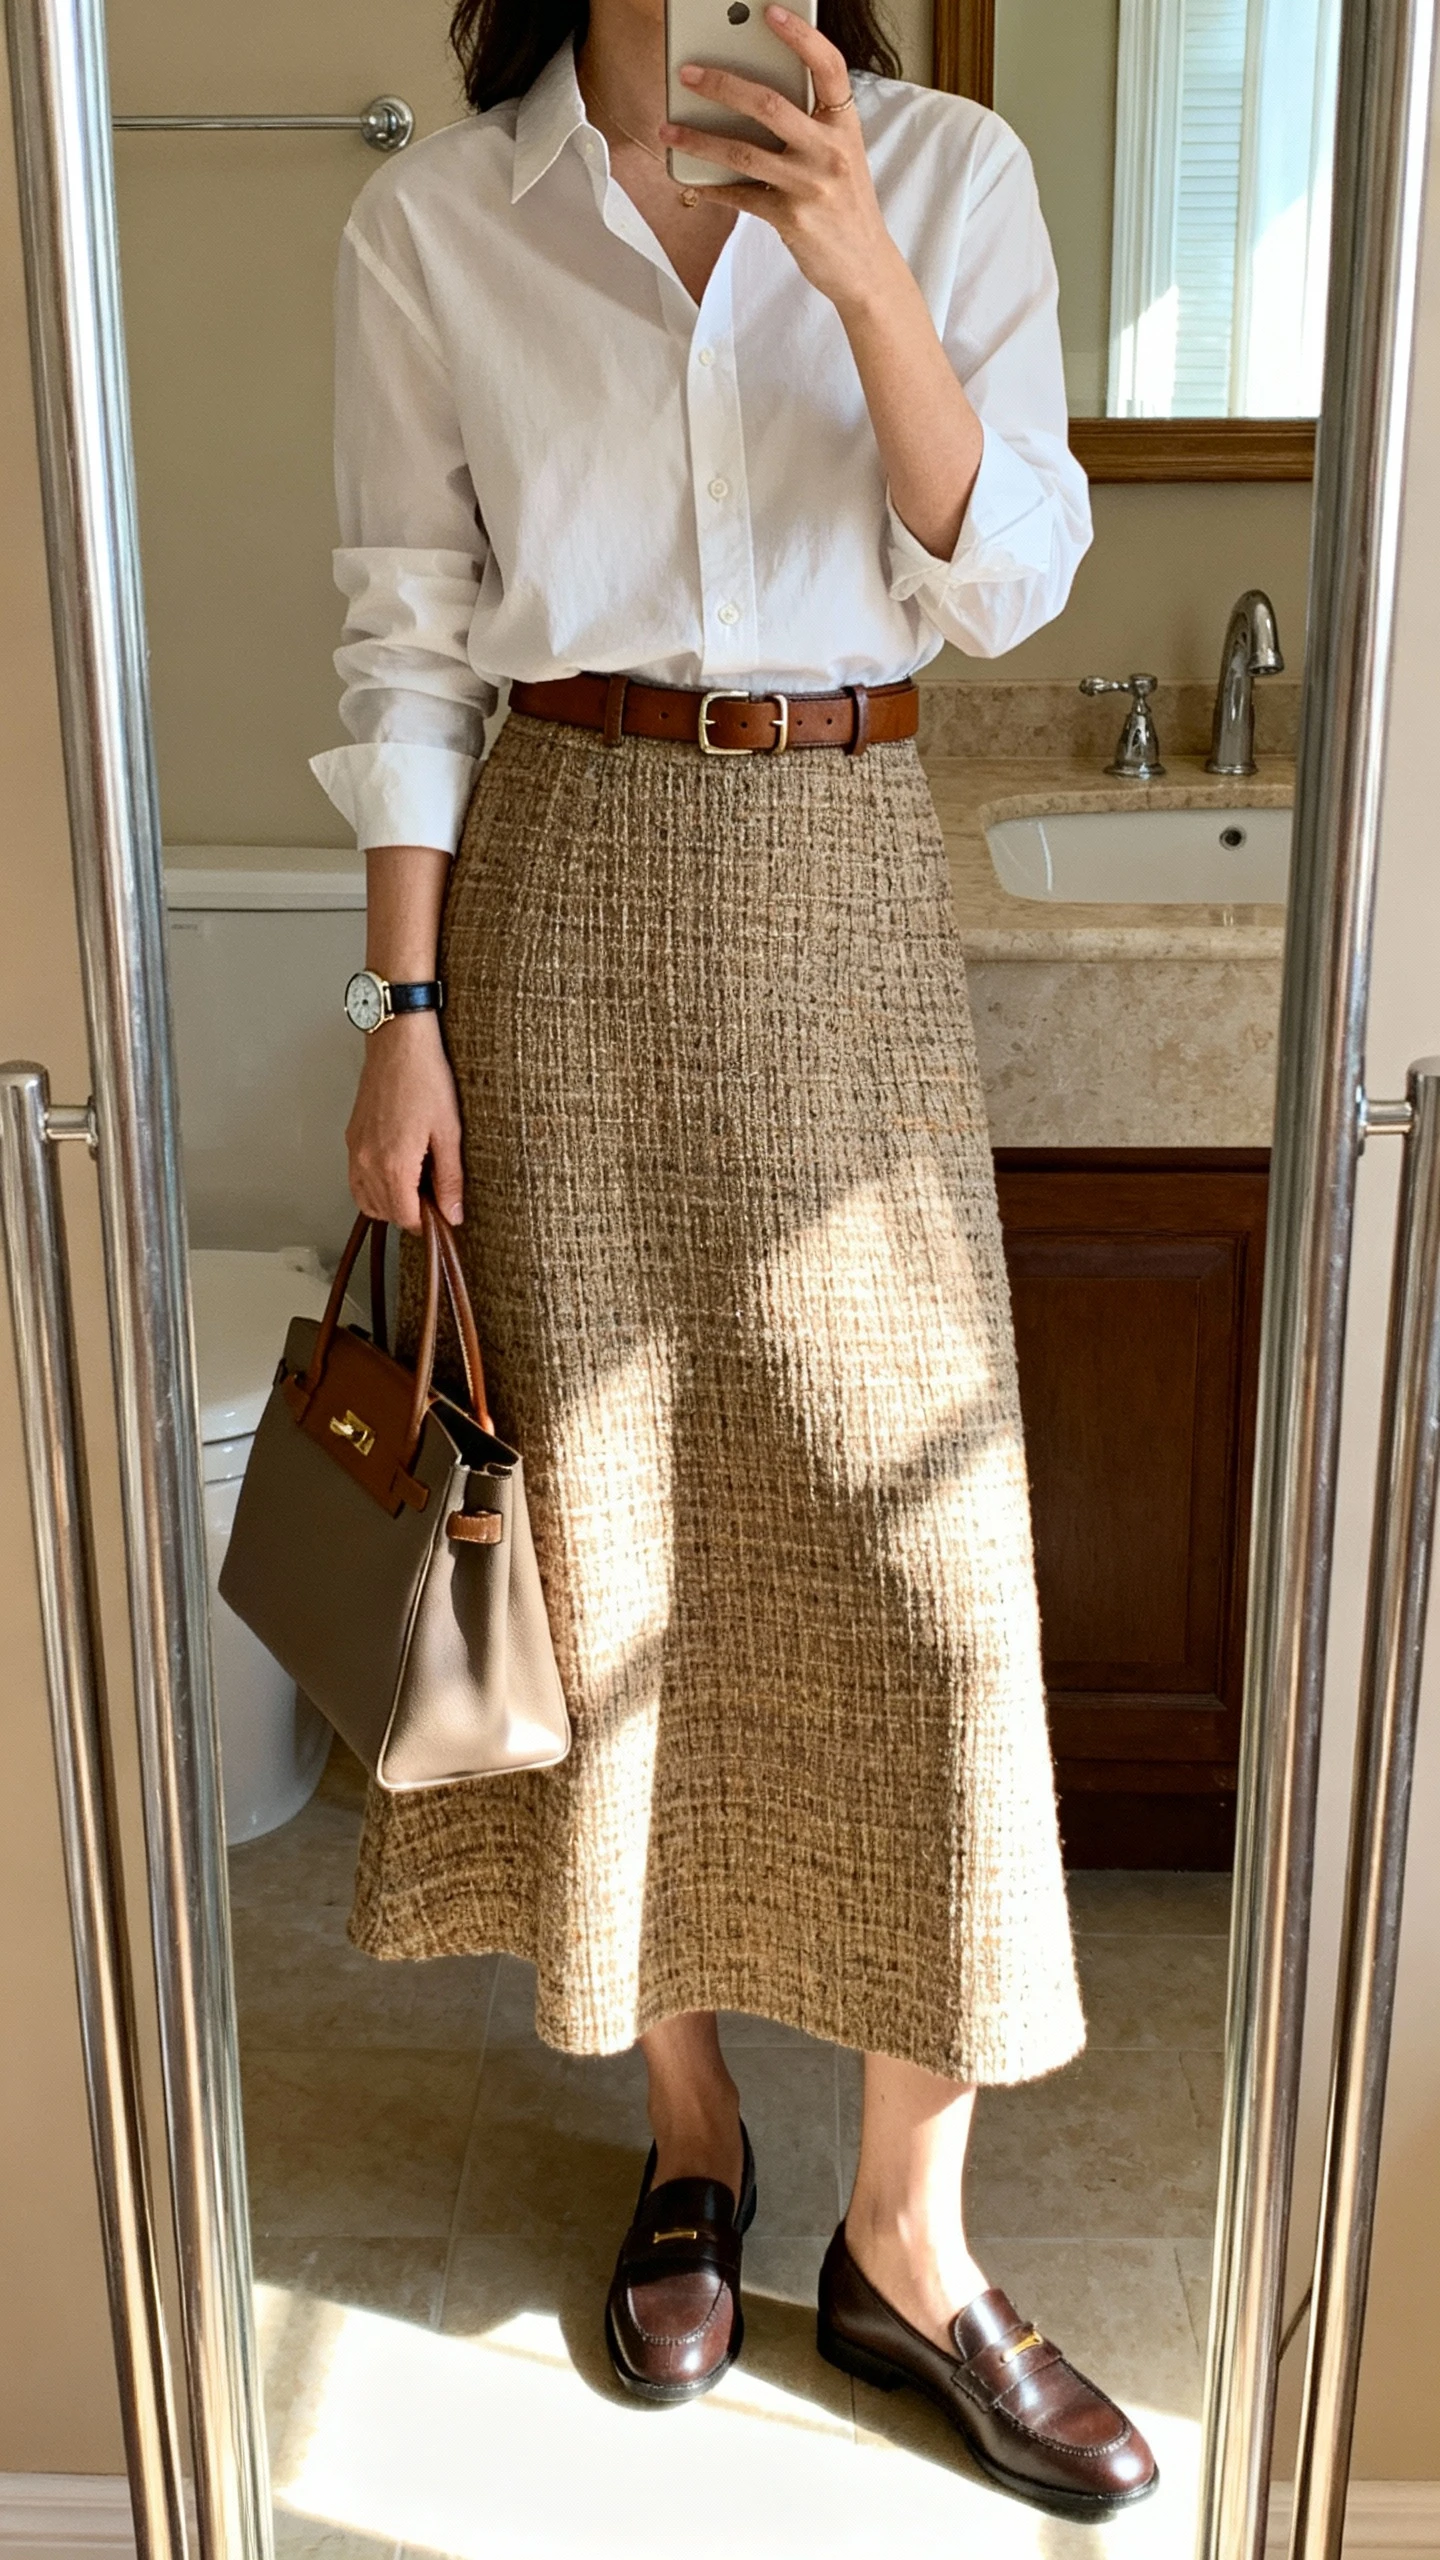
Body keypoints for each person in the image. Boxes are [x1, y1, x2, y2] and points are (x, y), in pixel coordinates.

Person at [310, 0, 1157, 2515]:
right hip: (559, 892)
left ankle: (917, 2233)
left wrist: (870, 278)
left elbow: (999, 581)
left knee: (933, 1590)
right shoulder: (436, 220)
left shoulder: (952, 172)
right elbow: (401, 645)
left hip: (846, 877)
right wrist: (403, 1008)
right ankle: (694, 2133)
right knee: (617, 1550)